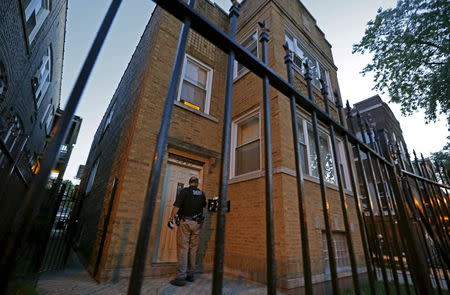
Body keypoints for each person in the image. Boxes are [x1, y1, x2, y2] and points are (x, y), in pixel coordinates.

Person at [169, 176, 206, 286]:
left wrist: (170, 218)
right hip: (197, 224)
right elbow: (204, 205)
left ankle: (181, 277)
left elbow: (176, 206)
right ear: (197, 184)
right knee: (193, 249)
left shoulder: (185, 191)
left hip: (186, 223)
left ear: (190, 183)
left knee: (183, 248)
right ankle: (190, 274)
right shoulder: (202, 193)